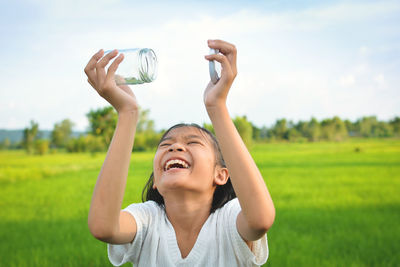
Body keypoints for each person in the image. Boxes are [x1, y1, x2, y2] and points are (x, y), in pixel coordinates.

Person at [85, 39, 275, 266]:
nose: (175, 147)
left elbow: (260, 220)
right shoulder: (147, 219)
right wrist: (128, 112)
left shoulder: (228, 220)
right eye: (166, 145)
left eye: (193, 142)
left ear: (221, 175)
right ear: (156, 179)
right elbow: (103, 227)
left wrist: (217, 106)